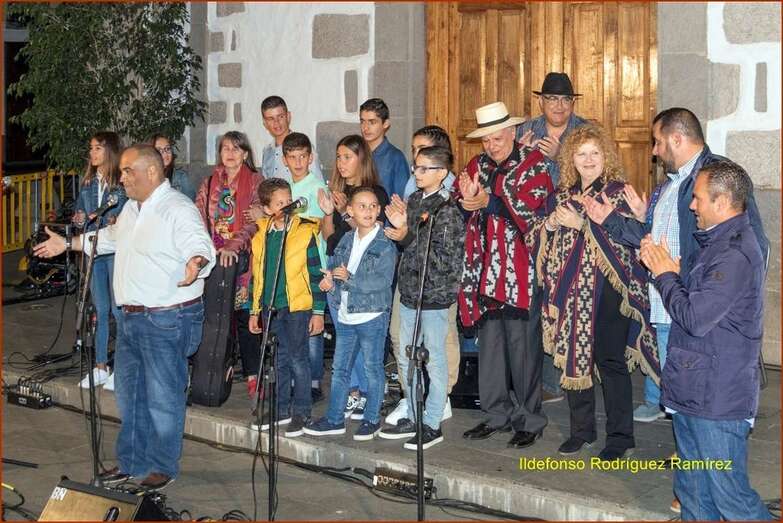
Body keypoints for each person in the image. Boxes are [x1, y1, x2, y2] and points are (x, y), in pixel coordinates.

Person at [34, 144, 215, 491]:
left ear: (151, 172)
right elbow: (107, 239)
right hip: (132, 320)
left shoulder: (177, 208)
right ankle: (132, 463)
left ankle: (163, 466)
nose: (123, 177)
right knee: (130, 396)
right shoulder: (131, 209)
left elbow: (200, 244)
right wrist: (68, 244)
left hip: (166, 318)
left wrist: (196, 262)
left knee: (163, 397)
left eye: (129, 171)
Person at [583, 107, 769, 423]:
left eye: (657, 143)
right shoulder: (671, 185)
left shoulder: (717, 178)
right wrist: (610, 220)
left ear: (676, 138)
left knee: (702, 394)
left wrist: (725, 298)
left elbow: (754, 244)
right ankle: (687, 450)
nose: (655, 152)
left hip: (696, 305)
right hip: (670, 299)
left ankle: (698, 453)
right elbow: (651, 236)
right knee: (683, 394)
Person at [639, 160, 773, 521]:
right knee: (695, 494)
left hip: (717, 398)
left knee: (731, 498)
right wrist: (672, 271)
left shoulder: (734, 252)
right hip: (694, 387)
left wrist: (666, 275)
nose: (692, 206)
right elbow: (703, 302)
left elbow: (696, 318)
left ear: (722, 201)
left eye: (697, 198)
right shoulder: (717, 243)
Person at [530, 125, 659, 461]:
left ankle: (620, 437)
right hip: (569, 294)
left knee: (611, 363)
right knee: (576, 359)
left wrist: (584, 226)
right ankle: (581, 431)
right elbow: (535, 236)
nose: (588, 160)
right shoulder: (561, 196)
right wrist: (552, 226)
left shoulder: (618, 194)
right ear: (571, 158)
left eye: (594, 153)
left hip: (609, 293)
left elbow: (633, 239)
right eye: (581, 154)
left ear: (606, 157)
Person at [457, 101, 552, 448]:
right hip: (485, 269)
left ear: (512, 133)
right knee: (491, 348)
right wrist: (466, 202)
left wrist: (488, 202)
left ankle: (530, 418)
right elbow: (463, 200)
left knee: (523, 348)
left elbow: (530, 211)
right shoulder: (477, 165)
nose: (491, 147)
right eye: (486, 141)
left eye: (497, 139)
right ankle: (496, 413)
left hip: (520, 270)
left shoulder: (533, 164)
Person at [379, 145, 465, 450]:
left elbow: (445, 259)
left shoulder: (449, 210)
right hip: (410, 291)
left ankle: (431, 423)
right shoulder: (414, 200)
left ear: (441, 173)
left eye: (423, 168)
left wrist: (407, 235)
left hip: (435, 295)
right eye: (415, 167)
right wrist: (403, 236)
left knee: (434, 359)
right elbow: (409, 250)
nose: (416, 173)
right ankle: (414, 415)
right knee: (406, 355)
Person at [517, 72, 588, 404]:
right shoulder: (525, 131)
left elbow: (595, 177)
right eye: (551, 99)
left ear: (572, 103)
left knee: (567, 303)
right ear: (541, 101)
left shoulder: (586, 132)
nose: (558, 106)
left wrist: (561, 156)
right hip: (535, 228)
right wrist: (523, 155)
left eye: (564, 100)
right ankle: (542, 378)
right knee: (538, 301)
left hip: (572, 228)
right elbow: (513, 174)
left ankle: (567, 376)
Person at [304, 187, 397, 441]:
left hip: (371, 315)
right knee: (340, 369)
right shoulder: (347, 239)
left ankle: (371, 419)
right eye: (362, 206)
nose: (368, 211)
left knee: (372, 368)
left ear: (379, 210)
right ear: (351, 211)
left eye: (373, 206)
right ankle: (335, 419)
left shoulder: (385, 243)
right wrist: (329, 282)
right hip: (346, 315)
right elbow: (336, 269)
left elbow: (382, 281)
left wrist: (350, 278)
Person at [317, 134, 390, 420]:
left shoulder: (374, 195)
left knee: (365, 344)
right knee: (345, 338)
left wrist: (346, 211)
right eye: (338, 157)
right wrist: (328, 213)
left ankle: (367, 399)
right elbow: (330, 237)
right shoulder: (337, 191)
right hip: (337, 268)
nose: (341, 162)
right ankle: (353, 393)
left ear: (362, 159)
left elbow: (368, 235)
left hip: (361, 276)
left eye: (347, 156)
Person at [247, 178, 325, 437]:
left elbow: (315, 273)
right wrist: (254, 310)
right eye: (280, 203)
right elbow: (256, 276)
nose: (287, 205)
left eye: (288, 200)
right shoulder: (261, 237)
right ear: (267, 208)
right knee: (276, 360)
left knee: (298, 359)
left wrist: (318, 311)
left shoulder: (304, 233)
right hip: (271, 307)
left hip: (297, 307)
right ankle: (280, 408)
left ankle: (301, 410)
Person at [195, 131, 264, 401]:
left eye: (236, 148)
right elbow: (199, 216)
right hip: (214, 260)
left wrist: (232, 246)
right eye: (225, 148)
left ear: (245, 153)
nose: (231, 153)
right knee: (214, 319)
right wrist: (208, 250)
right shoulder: (209, 182)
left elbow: (254, 220)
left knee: (244, 318)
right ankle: (215, 371)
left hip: (244, 261)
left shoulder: (256, 182)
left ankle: (252, 376)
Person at [73, 131, 127, 391]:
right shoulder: (87, 183)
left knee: (119, 309)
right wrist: (80, 219)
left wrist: (112, 220)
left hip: (115, 251)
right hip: (94, 251)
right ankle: (100, 366)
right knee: (100, 310)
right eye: (91, 148)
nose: (92, 153)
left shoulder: (121, 184)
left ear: (110, 151)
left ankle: (123, 367)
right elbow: (80, 212)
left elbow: (122, 214)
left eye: (98, 148)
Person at [279, 132, 329, 403]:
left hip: (311, 263)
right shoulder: (284, 189)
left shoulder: (317, 187)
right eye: (292, 157)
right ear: (285, 159)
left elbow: (316, 225)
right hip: (289, 266)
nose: (298, 162)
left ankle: (312, 380)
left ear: (310, 158)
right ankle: (295, 378)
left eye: (302, 156)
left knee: (313, 323)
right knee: (293, 323)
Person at [260, 95, 324, 183]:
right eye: (271, 119)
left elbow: (318, 184)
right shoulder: (267, 151)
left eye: (281, 116)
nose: (276, 122)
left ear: (288, 116)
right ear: (265, 123)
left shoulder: (303, 147)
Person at [360, 98, 409, 200]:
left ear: (385, 124)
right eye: (362, 121)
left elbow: (401, 199)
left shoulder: (396, 158)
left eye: (372, 122)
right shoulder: (357, 153)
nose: (365, 127)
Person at [149, 134, 197, 201]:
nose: (165, 153)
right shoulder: (143, 177)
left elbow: (191, 205)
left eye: (167, 148)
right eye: (159, 150)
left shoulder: (180, 177)